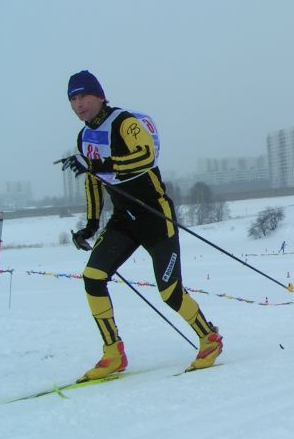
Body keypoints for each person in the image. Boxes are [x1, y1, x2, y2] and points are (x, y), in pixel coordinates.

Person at [60, 70, 222, 381]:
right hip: (124, 219)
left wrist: (98, 165)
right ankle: (113, 353)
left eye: (83, 96)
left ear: (99, 96)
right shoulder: (84, 137)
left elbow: (145, 156)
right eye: (73, 99)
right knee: (93, 277)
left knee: (170, 292)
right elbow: (93, 180)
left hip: (155, 216)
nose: (78, 104)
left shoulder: (124, 122)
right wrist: (90, 225)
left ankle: (209, 338)